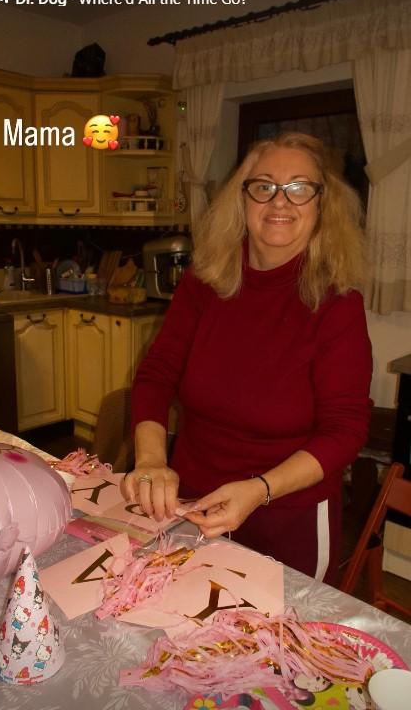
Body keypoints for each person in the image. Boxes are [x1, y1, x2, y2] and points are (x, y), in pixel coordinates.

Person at [125, 131, 373, 585]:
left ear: (322, 205)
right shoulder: (204, 283)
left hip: (287, 516)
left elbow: (345, 431)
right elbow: (156, 375)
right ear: (241, 199)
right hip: (190, 504)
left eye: (299, 188)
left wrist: (259, 490)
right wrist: (151, 461)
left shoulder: (337, 305)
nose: (280, 201)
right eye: (264, 186)